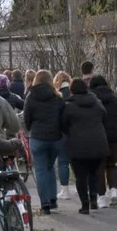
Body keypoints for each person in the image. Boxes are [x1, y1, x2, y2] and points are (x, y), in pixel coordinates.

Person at [61, 79, 108, 215]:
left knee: (80, 176)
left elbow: (63, 125)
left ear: (72, 90)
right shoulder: (97, 103)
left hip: (77, 146)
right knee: (93, 173)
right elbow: (104, 118)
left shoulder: (68, 106)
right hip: (98, 144)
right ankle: (93, 199)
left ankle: (85, 204)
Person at [23, 70, 64, 214]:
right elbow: (62, 117)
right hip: (55, 137)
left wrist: (30, 130)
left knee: (40, 170)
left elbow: (26, 117)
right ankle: (53, 199)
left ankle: (45, 203)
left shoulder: (31, 96)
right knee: (50, 167)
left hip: (38, 136)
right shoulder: (57, 97)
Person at [90, 75, 117, 209]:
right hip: (115, 136)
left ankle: (102, 197)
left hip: (99, 136)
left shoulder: (93, 99)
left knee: (99, 166)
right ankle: (114, 190)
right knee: (112, 164)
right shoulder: (115, 99)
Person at [52, 71, 72, 201]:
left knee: (63, 162)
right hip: (76, 131)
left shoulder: (57, 96)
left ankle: (65, 190)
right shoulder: (73, 92)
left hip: (62, 132)